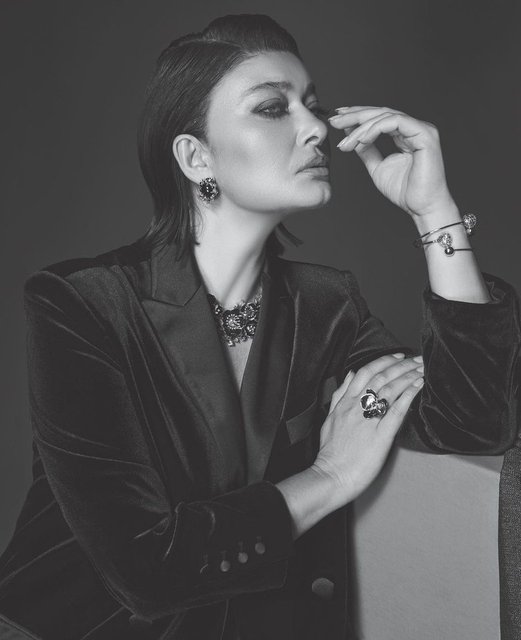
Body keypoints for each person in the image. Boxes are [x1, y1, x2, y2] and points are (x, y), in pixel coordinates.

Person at [0, 13, 519, 640]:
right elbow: (146, 570)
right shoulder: (82, 304)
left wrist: (434, 212)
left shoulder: (325, 305)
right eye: (273, 108)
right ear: (196, 157)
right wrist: (329, 477)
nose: (315, 128)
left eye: (312, 106)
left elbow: (473, 422)